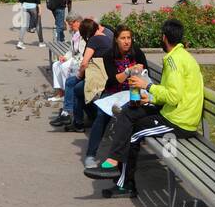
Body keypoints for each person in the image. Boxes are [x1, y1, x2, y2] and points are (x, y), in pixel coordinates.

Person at [85, 17, 204, 195]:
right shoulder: (180, 56)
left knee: (133, 133)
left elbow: (173, 96)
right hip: (175, 113)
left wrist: (146, 86)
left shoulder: (174, 61)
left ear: (164, 37)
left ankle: (123, 183)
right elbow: (171, 94)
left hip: (179, 122)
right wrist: (148, 100)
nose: (127, 41)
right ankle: (114, 165)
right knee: (129, 112)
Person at [83, 25, 149, 170]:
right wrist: (128, 71)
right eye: (123, 38)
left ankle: (125, 155)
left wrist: (140, 71)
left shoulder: (136, 52)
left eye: (129, 38)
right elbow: (113, 80)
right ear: (116, 40)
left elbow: (146, 74)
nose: (127, 42)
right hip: (113, 91)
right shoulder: (109, 55)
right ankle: (90, 154)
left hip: (133, 91)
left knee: (132, 111)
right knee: (101, 115)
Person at [51, 17, 114, 131]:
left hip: (99, 77)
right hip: (102, 74)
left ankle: (69, 115)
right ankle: (82, 118)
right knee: (77, 88)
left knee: (73, 85)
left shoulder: (94, 40)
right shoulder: (105, 37)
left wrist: (79, 76)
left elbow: (84, 63)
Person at [51, 15, 84, 90]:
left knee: (64, 66)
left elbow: (84, 51)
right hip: (74, 57)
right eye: (69, 24)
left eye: (71, 24)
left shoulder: (83, 33)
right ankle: (60, 91)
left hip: (80, 58)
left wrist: (72, 59)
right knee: (55, 65)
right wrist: (65, 57)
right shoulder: (75, 33)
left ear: (78, 22)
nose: (70, 26)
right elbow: (71, 50)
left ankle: (67, 91)